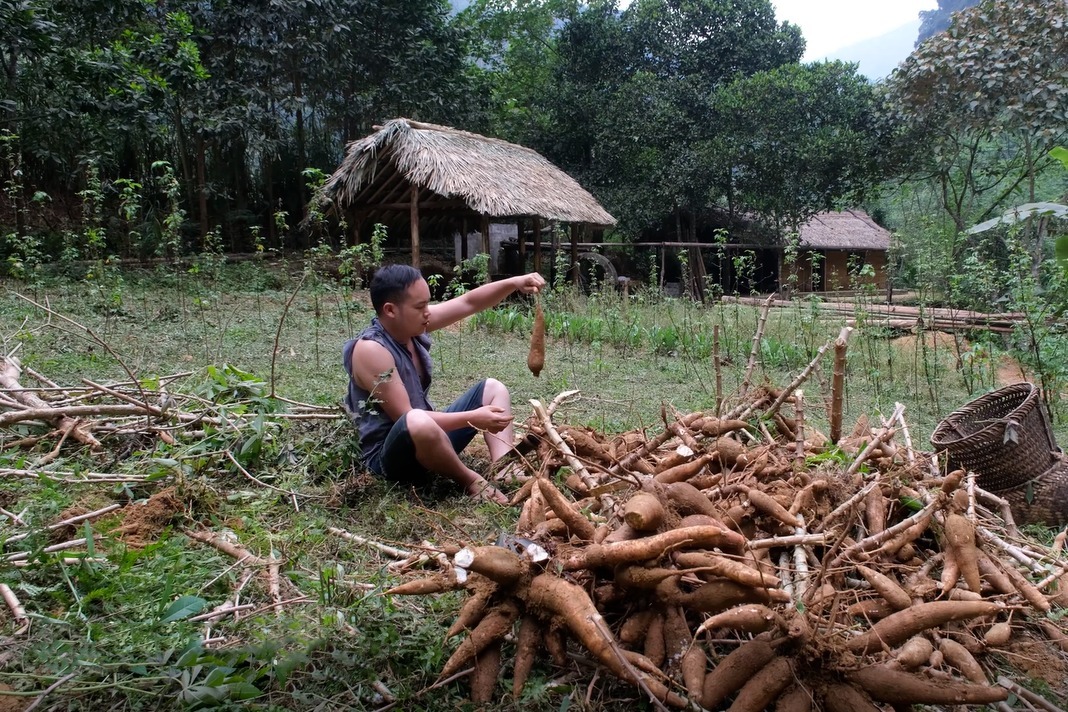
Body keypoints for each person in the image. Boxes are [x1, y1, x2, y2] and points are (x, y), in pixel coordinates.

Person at [343, 264, 545, 504]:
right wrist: (473, 418)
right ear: (390, 310)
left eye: (428, 304)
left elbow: (469, 303)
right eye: (420, 307)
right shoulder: (371, 350)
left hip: (430, 440)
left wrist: (514, 282)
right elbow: (407, 419)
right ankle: (470, 480)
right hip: (391, 458)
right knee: (417, 420)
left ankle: (504, 469)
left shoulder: (410, 324)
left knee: (493, 388)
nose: (428, 312)